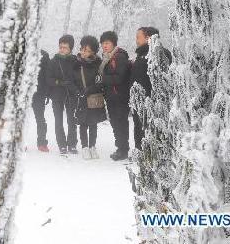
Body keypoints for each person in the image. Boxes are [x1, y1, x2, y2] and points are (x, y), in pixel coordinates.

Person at [130, 27, 172, 149]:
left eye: (138, 37)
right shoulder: (141, 54)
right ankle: (141, 152)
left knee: (151, 127)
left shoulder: (159, 53)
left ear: (148, 38)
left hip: (151, 100)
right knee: (139, 126)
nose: (136, 40)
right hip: (138, 99)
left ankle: (153, 153)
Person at [71, 36, 107, 159]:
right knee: (83, 123)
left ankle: (92, 146)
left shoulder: (98, 64)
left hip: (93, 98)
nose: (83, 52)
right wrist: (78, 92)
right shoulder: (76, 64)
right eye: (82, 49)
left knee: (93, 123)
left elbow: (100, 82)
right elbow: (71, 81)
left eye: (87, 50)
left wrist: (89, 90)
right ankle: (85, 147)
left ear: (93, 52)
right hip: (81, 98)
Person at [98, 31, 131, 161]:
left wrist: (102, 79)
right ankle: (120, 148)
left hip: (120, 97)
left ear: (113, 43)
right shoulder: (106, 58)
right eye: (102, 43)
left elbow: (119, 78)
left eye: (107, 43)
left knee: (121, 123)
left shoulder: (119, 57)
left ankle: (123, 150)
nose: (104, 46)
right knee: (115, 123)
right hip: (111, 97)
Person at [46, 35, 79, 155]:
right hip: (57, 95)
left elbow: (78, 78)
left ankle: (72, 144)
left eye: (65, 47)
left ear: (70, 48)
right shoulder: (53, 61)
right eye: (60, 47)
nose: (62, 49)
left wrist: (75, 88)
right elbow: (48, 79)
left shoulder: (75, 61)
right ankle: (62, 145)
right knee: (58, 120)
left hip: (71, 94)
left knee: (72, 120)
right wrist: (59, 82)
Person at [32, 50, 51, 152]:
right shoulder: (20, 52)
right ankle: (20, 143)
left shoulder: (44, 54)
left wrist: (47, 93)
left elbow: (47, 75)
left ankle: (42, 143)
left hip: (39, 93)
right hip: (24, 91)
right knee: (20, 119)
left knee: (40, 118)